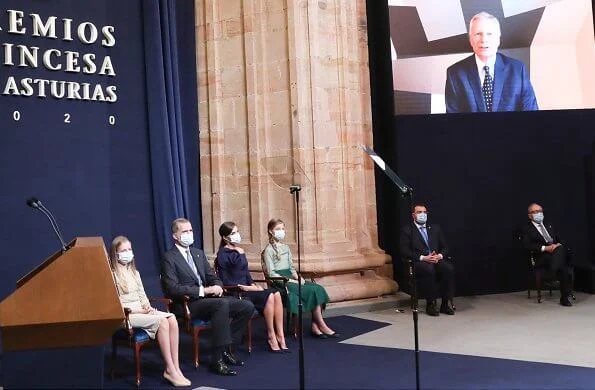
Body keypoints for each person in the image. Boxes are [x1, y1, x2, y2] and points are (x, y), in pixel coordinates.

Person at [161, 218, 255, 376]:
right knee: (221, 305)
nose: (189, 234)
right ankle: (216, 360)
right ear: (175, 236)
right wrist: (203, 291)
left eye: (190, 230)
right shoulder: (169, 257)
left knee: (246, 306)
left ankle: (225, 349)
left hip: (208, 300)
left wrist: (217, 285)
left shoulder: (198, 253)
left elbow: (212, 276)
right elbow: (172, 288)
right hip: (188, 303)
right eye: (184, 232)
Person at [109, 236, 191, 387]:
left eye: (129, 249)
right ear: (115, 253)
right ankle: (170, 369)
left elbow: (142, 295)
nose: (128, 253)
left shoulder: (134, 272)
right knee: (162, 321)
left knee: (171, 317)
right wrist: (138, 310)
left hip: (141, 311)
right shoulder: (112, 275)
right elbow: (115, 305)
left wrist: (147, 308)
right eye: (123, 250)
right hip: (126, 315)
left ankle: (176, 367)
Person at [215, 221, 289, 353]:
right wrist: (250, 288)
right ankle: (271, 336)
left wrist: (254, 284)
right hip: (237, 293)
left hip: (248, 289)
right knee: (269, 296)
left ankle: (280, 336)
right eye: (233, 233)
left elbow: (245, 273)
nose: (237, 235)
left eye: (237, 232)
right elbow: (227, 281)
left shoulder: (239, 250)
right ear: (225, 237)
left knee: (276, 293)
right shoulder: (222, 254)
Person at [445, 11, 538, 113]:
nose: (484, 39)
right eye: (478, 34)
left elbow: (532, 116)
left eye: (489, 34)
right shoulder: (455, 74)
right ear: (470, 39)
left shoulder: (517, 70)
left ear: (498, 39)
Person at [262, 218, 339, 338]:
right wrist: (290, 280)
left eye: (282, 229)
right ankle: (322, 325)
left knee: (317, 288)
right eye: (278, 229)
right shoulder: (268, 250)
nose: (281, 231)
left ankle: (315, 325)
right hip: (280, 281)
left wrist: (298, 277)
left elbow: (291, 268)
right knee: (311, 290)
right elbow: (272, 274)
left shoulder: (286, 247)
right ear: (271, 231)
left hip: (290, 277)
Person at [399, 203, 455, 316]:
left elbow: (445, 247)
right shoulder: (407, 230)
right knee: (429, 270)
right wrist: (424, 258)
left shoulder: (435, 228)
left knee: (448, 268)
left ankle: (445, 303)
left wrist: (439, 256)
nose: (423, 214)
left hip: (435, 259)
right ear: (413, 215)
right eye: (419, 212)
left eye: (425, 212)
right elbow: (404, 250)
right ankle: (430, 304)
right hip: (419, 262)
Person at [521, 203, 573, 306]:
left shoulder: (549, 224)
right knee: (563, 266)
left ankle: (553, 273)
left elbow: (560, 238)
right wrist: (546, 248)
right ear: (530, 215)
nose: (538, 213)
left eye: (540, 211)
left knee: (560, 251)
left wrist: (558, 244)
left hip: (556, 254)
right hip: (541, 256)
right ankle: (564, 297)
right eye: (535, 212)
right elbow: (527, 246)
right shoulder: (525, 229)